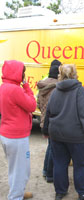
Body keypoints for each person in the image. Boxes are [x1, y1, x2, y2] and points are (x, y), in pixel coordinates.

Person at [43, 64, 84, 200]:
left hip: (57, 135)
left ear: (60, 74)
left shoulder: (56, 91)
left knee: (60, 163)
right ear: (75, 74)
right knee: (80, 165)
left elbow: (48, 113)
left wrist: (46, 130)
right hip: (77, 137)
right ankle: (83, 193)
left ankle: (60, 192)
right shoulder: (80, 91)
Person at [0, 60, 36, 200]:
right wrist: (26, 86)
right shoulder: (15, 90)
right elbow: (32, 106)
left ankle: (17, 192)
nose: (23, 75)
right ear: (17, 73)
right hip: (17, 137)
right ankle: (15, 196)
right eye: (23, 72)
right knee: (21, 170)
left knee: (14, 168)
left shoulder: (4, 87)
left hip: (7, 134)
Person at [37, 59, 61, 183]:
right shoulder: (58, 87)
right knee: (53, 148)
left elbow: (38, 104)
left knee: (50, 146)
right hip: (53, 121)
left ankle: (46, 171)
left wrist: (43, 114)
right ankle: (49, 174)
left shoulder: (42, 85)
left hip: (43, 121)